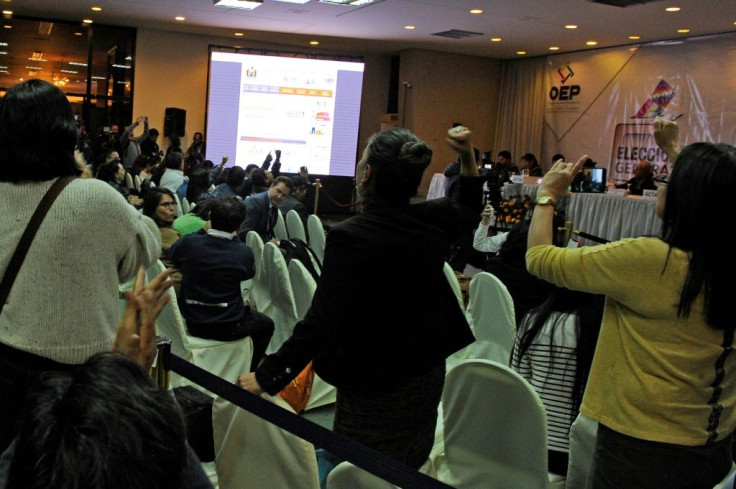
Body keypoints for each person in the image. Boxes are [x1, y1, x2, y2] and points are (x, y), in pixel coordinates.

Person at [237, 126, 482, 469]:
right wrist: (468, 157)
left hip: (373, 376)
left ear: (367, 173)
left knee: (360, 465)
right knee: (408, 458)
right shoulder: (434, 218)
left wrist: (267, 376)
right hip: (426, 367)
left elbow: (321, 322)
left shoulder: (352, 236)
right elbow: (468, 208)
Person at [525, 118, 736, 489]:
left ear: (686, 199)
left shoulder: (649, 261)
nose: (661, 185)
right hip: (713, 440)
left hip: (641, 444)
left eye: (670, 181)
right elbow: (720, 192)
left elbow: (540, 258)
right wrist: (673, 148)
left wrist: (547, 195)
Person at [0, 79, 160, 453]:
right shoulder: (95, 198)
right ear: (67, 134)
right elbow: (144, 249)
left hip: (5, 365)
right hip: (80, 375)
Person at [169, 197, 275, 369]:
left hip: (192, 321)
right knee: (267, 325)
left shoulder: (189, 243)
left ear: (209, 216)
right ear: (239, 225)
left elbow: (174, 255)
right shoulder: (243, 252)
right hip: (227, 326)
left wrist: (202, 232)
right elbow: (248, 273)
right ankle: (250, 371)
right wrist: (235, 238)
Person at [510, 288, 604, 476]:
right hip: (578, 457)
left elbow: (518, 389)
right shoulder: (602, 330)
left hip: (529, 450)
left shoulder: (532, 321)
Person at [142, 187, 181, 290]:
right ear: (152, 208)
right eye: (165, 204)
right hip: (177, 286)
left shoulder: (146, 228)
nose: (172, 208)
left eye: (172, 203)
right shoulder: (167, 234)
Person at [238, 176, 293, 242]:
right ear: (272, 186)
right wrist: (268, 242)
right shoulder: (255, 202)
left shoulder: (273, 204)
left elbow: (267, 231)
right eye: (278, 191)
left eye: (284, 195)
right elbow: (244, 232)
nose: (279, 196)